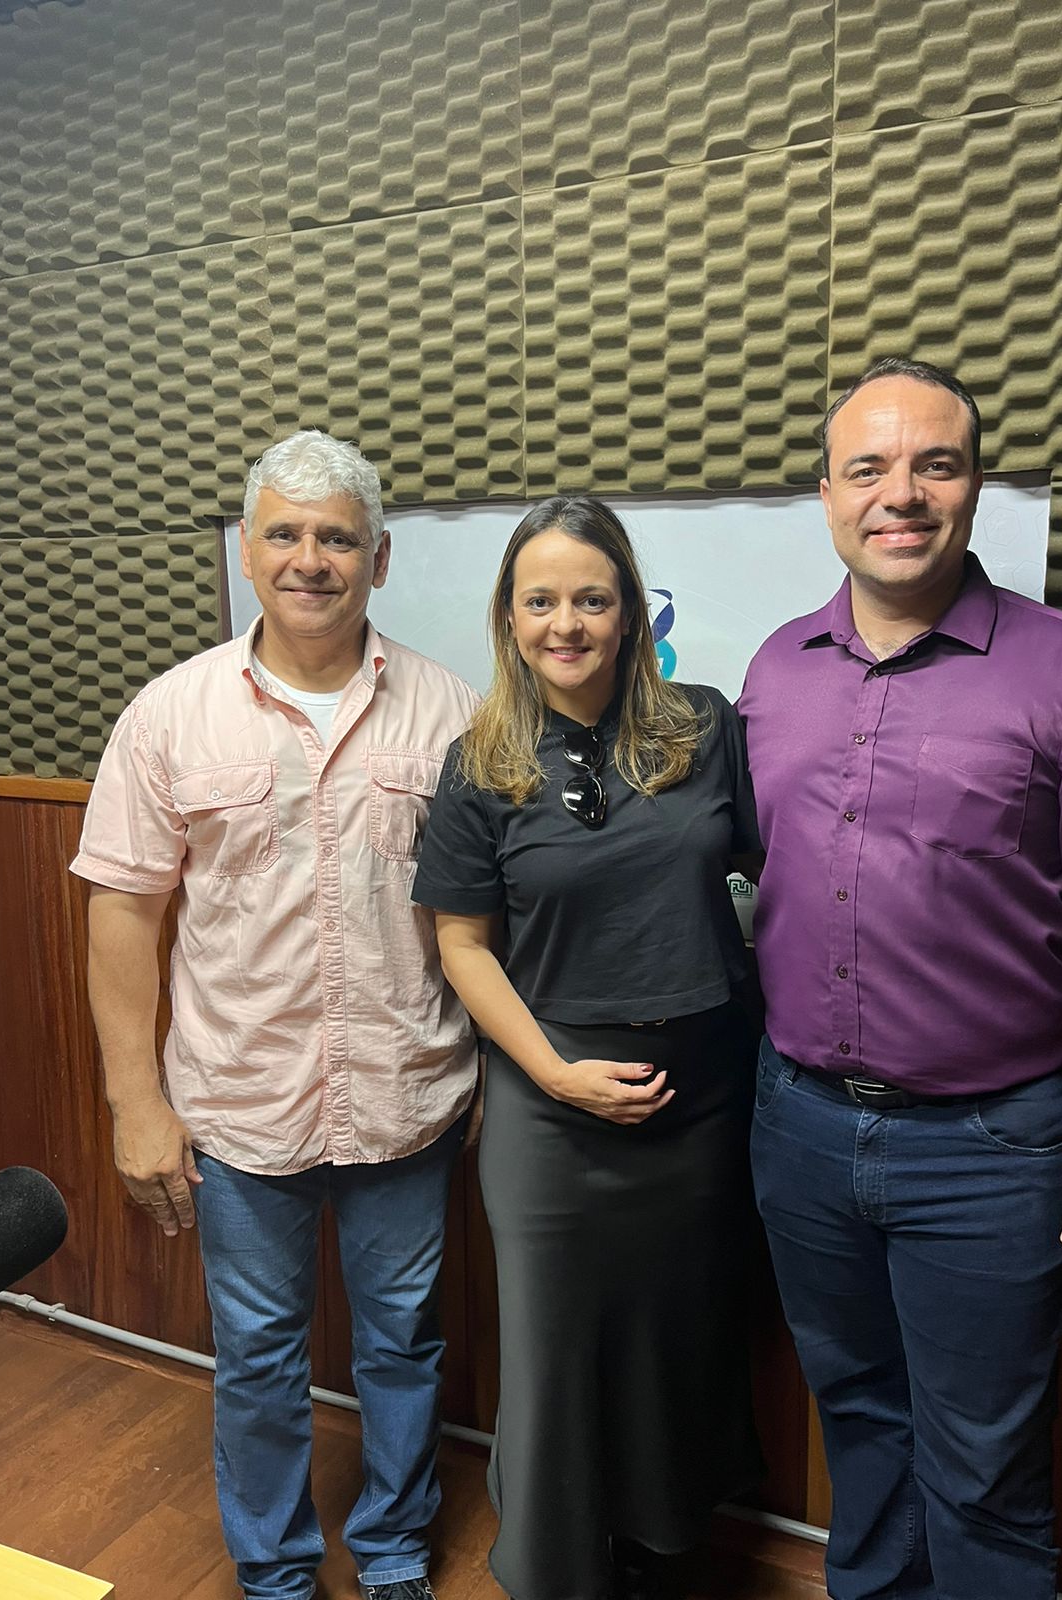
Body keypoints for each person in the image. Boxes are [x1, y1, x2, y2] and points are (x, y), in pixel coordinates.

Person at [739, 357, 1062, 1600]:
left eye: (934, 464)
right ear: (827, 494)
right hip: (800, 1127)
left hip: (989, 1149)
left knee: (986, 1466)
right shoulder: (775, 670)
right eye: (869, 468)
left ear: (975, 484)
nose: (902, 493)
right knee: (859, 1421)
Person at [71, 430, 480, 1600]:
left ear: (379, 559)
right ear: (247, 552)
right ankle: (276, 1573)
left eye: (338, 537)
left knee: (403, 1342)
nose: (312, 559)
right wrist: (136, 1103)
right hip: (242, 1106)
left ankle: (394, 1552)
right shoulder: (171, 714)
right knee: (258, 1356)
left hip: (408, 1097)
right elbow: (123, 914)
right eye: (286, 534)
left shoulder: (450, 711)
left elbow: (484, 921)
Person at [411, 496, 762, 1600]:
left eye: (592, 599)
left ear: (630, 612)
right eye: (541, 601)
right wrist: (555, 1073)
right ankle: (559, 1572)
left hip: (700, 1099)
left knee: (677, 1339)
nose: (566, 623)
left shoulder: (706, 729)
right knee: (555, 1354)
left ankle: (661, 1550)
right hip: (549, 1104)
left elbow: (777, 875)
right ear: (509, 619)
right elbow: (463, 946)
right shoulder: (479, 763)